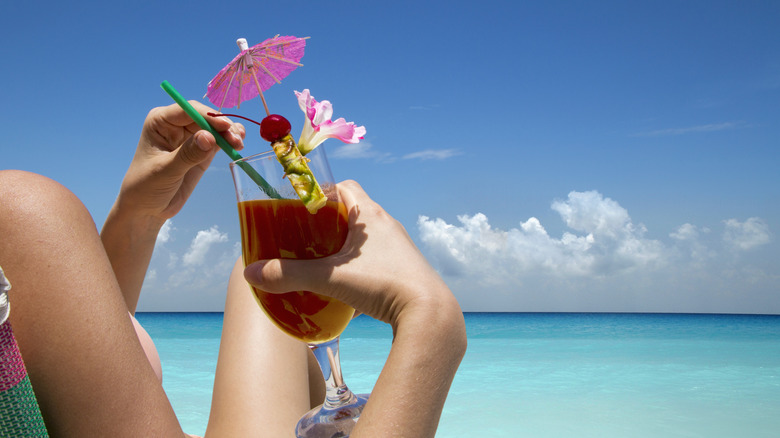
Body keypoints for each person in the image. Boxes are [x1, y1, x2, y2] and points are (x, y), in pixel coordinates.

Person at [0, 102, 467, 437]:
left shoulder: (20, 220)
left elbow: (75, 359)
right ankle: (340, 399)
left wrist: (139, 217)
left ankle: (336, 395)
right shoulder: (20, 211)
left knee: (259, 270)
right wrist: (430, 323)